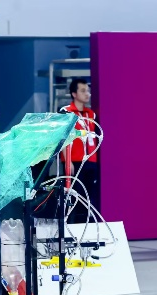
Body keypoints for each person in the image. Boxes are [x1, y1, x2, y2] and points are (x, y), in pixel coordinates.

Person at [58, 78, 100, 223]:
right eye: (83, 91)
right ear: (74, 94)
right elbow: (63, 137)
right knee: (74, 194)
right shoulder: (67, 112)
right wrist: (67, 161)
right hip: (74, 160)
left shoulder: (91, 114)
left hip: (91, 160)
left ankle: (85, 224)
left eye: (88, 90)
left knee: (88, 195)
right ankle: (71, 224)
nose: (87, 94)